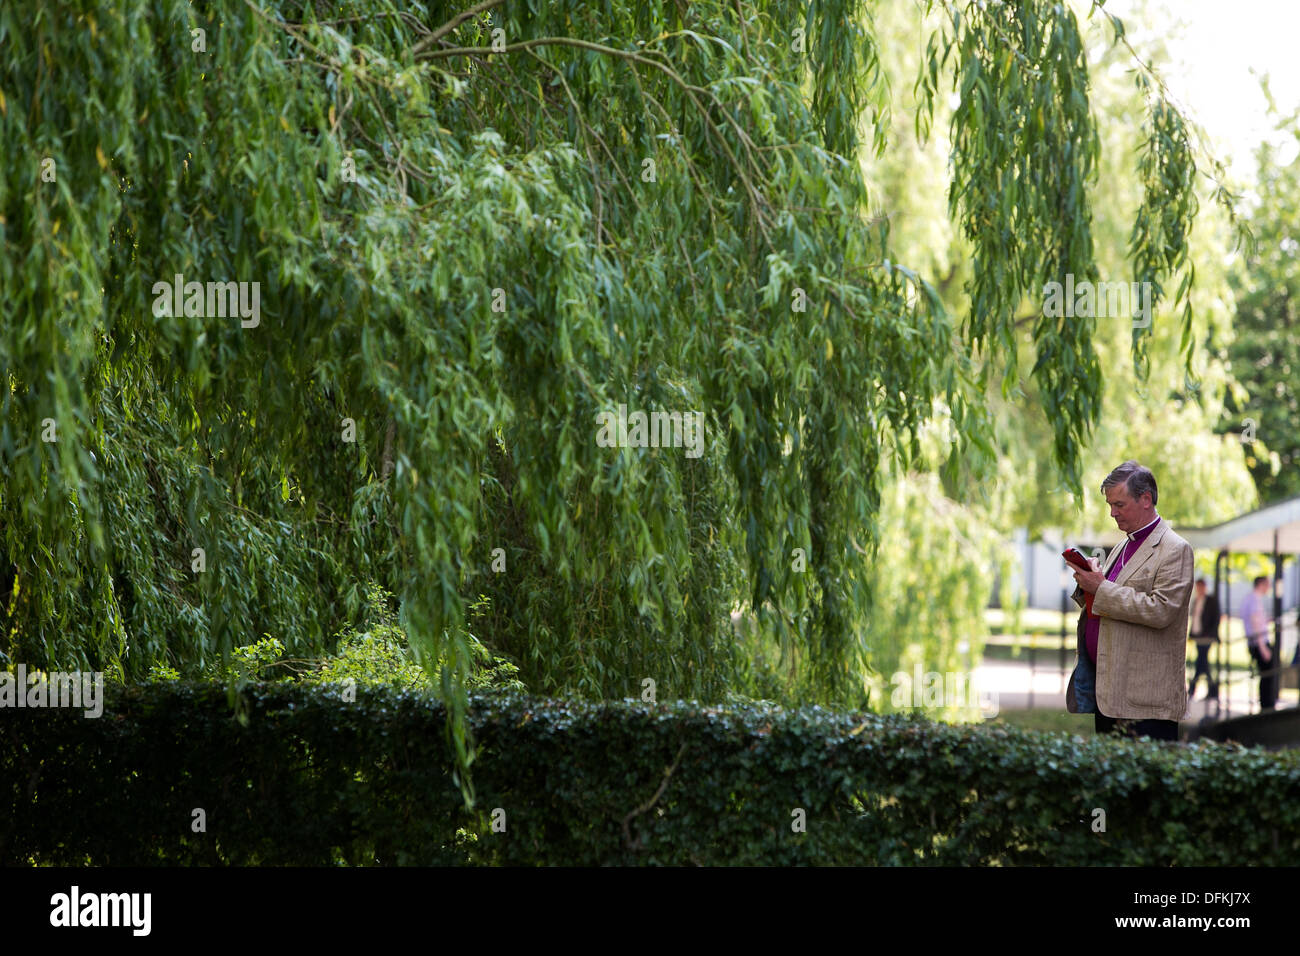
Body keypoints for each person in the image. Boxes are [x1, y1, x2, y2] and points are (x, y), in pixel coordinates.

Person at [1066, 460, 1195, 741]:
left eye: (1120, 504)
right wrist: (1090, 583)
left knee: (1143, 784)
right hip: (1111, 691)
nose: (1112, 513)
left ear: (1145, 499)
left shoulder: (1175, 548)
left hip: (1145, 699)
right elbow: (1110, 599)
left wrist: (1100, 588)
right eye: (1110, 505)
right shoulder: (1125, 543)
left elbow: (1161, 611)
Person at [1238, 576, 1276, 710]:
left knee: (1267, 674)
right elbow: (1255, 624)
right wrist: (1263, 647)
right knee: (1267, 674)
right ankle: (1267, 705)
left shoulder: (1251, 599)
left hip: (1256, 642)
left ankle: (1266, 704)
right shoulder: (1253, 600)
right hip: (1258, 643)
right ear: (1261, 584)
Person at [1187, 578, 1221, 700]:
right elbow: (1195, 618)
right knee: (1202, 662)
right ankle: (1210, 689)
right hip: (1198, 636)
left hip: (1206, 637)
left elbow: (1216, 618)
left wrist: (1211, 634)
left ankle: (1194, 688)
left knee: (1201, 661)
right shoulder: (1196, 600)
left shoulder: (1210, 600)